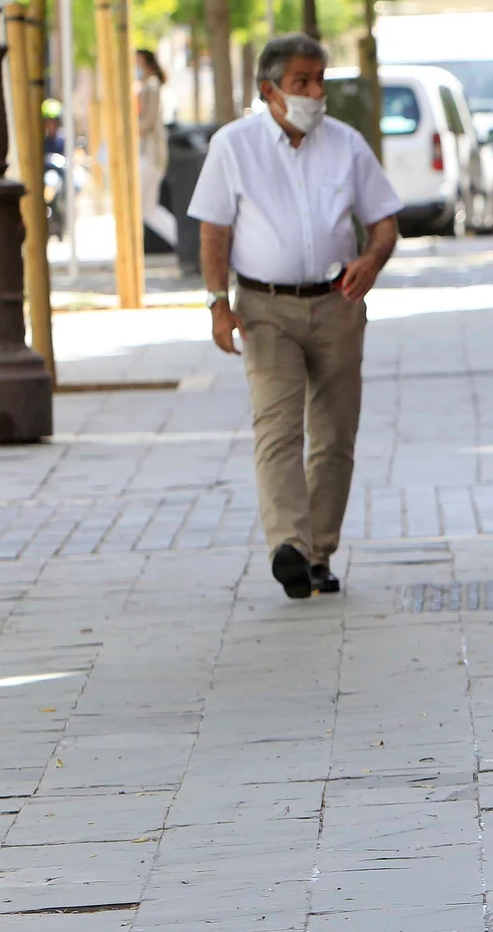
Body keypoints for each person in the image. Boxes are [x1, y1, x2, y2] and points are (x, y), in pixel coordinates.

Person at [188, 34, 405, 600]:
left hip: (338, 303)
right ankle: (288, 543)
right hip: (264, 307)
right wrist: (219, 304)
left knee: (334, 435)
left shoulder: (347, 145)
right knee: (277, 427)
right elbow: (214, 231)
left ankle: (318, 551)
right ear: (269, 91)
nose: (315, 93)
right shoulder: (233, 146)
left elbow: (384, 223)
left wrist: (371, 261)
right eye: (301, 83)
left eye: (319, 81)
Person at [135, 49, 179, 248]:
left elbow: (148, 121)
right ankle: (183, 240)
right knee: (148, 209)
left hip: (150, 154)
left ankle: (183, 240)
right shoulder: (149, 86)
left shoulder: (150, 87)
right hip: (150, 153)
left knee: (143, 207)